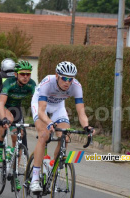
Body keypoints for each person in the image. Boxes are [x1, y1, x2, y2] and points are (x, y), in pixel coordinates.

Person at [29, 61, 95, 192]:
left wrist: (87, 126)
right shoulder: (48, 82)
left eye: (71, 79)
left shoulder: (76, 86)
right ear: (57, 76)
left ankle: (53, 167)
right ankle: (35, 179)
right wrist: (49, 123)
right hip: (40, 105)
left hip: (58, 107)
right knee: (44, 135)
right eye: (64, 78)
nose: (68, 82)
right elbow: (42, 111)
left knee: (65, 135)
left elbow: (81, 112)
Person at [0, 60, 36, 190]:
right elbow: (1, 104)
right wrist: (4, 119)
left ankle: (14, 174)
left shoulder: (31, 84)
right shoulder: (9, 82)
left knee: (18, 136)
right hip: (1, 104)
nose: (25, 77)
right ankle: (0, 145)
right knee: (8, 120)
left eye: (28, 74)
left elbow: (36, 103)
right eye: (22, 74)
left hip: (16, 107)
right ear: (16, 74)